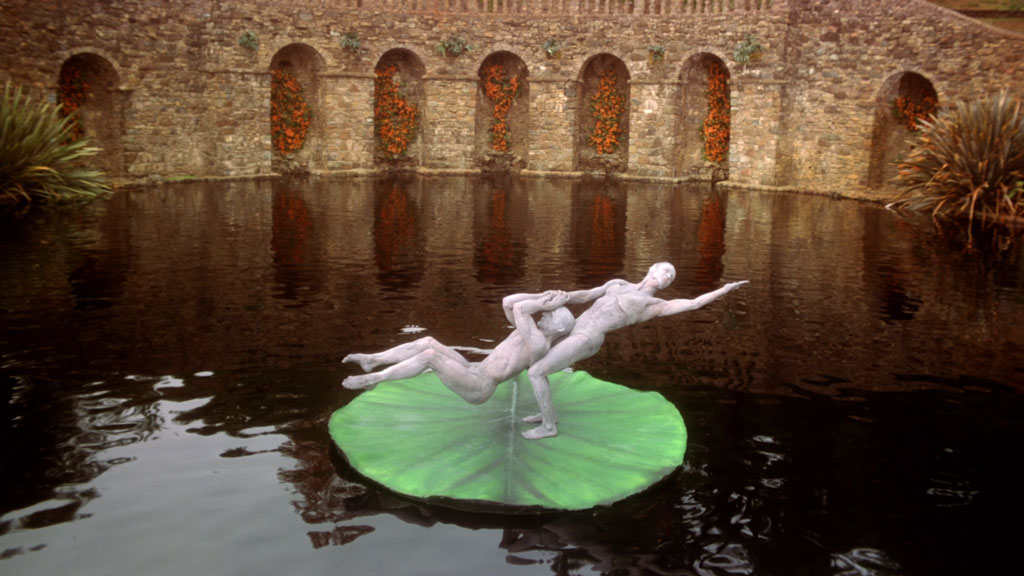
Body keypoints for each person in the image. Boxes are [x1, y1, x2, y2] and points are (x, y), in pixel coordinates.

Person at [519, 262, 748, 439]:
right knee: (536, 364)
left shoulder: (653, 305)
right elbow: (586, 295)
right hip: (575, 326)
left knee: (536, 372)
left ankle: (548, 426)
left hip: (587, 338)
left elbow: (694, 303)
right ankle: (549, 415)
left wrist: (724, 290)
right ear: (652, 268)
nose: (668, 276)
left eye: (671, 277)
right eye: (666, 271)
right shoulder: (617, 284)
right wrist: (560, 297)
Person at [342, 290, 575, 405]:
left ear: (558, 328)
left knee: (430, 356)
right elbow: (508, 303)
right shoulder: (528, 331)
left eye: (551, 314)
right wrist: (541, 295)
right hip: (473, 369)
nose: (545, 313)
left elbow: (520, 309)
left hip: (479, 387)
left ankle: (374, 379)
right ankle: (373, 360)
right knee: (428, 342)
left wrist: (546, 302)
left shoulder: (539, 344)